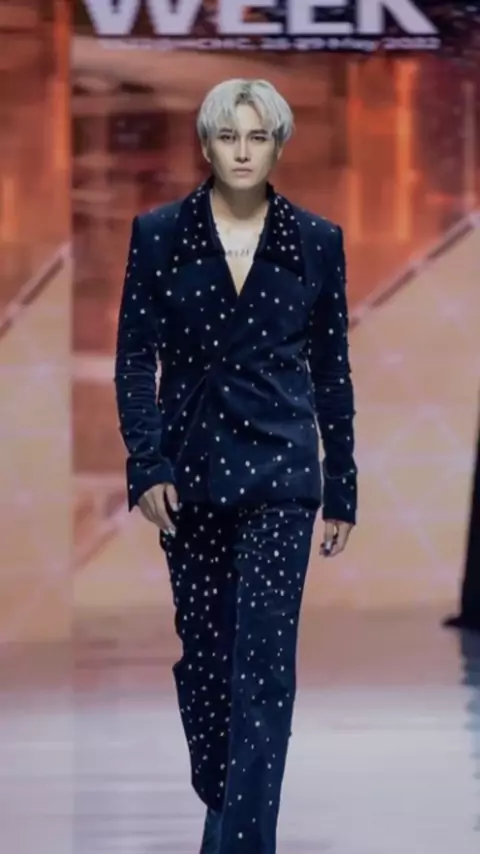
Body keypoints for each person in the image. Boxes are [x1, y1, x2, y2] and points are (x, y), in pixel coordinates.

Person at [114, 78, 358, 854]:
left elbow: (332, 371)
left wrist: (342, 486)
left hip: (282, 475)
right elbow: (134, 359)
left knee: (264, 670)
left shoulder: (316, 241)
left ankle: (245, 841)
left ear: (278, 146)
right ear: (206, 145)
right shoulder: (159, 235)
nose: (243, 152)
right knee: (209, 668)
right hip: (191, 476)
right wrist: (146, 463)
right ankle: (226, 815)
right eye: (229, 136)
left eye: (258, 137)